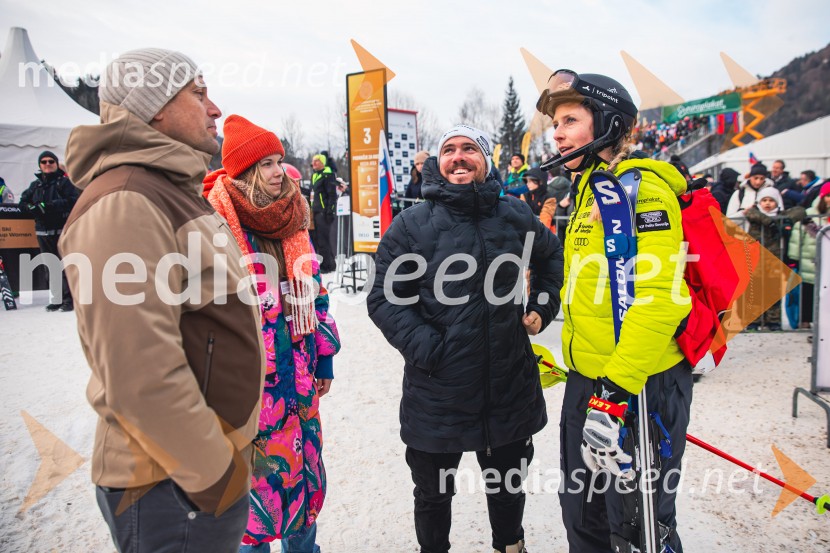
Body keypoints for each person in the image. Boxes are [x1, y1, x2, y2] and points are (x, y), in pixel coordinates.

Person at [58, 48, 265, 552]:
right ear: (153, 109)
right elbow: (139, 372)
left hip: (187, 480)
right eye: (198, 94)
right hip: (169, 485)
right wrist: (216, 476)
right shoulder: (127, 200)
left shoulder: (167, 188)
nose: (215, 109)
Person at [367, 124, 563, 553]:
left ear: (486, 160)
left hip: (508, 386)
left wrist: (542, 306)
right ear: (438, 162)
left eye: (469, 148)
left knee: (508, 485)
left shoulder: (515, 214)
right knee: (433, 492)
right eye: (449, 150)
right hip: (438, 391)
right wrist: (432, 350)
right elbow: (384, 298)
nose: (458, 157)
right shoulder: (411, 225)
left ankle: (510, 545)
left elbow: (551, 257)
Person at [536, 69, 692, 552]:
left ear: (606, 123)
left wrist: (615, 391)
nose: (557, 133)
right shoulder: (589, 190)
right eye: (555, 123)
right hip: (590, 382)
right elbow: (596, 293)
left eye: (570, 120)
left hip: (638, 386)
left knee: (638, 527)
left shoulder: (642, 191)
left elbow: (659, 298)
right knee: (582, 518)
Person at [203, 115, 341, 553]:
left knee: (302, 487)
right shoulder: (213, 226)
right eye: (266, 164)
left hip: (298, 381)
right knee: (254, 498)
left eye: (279, 161)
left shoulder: (291, 219)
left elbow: (315, 292)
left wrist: (324, 357)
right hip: (246, 389)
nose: (279, 172)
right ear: (244, 172)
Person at [19, 150, 80, 311]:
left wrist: (49, 206)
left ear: (56, 164)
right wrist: (32, 207)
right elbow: (22, 203)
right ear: (40, 165)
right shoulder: (35, 185)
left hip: (61, 231)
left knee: (64, 266)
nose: (47, 164)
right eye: (44, 162)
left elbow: (74, 201)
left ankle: (69, 299)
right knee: (50, 267)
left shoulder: (64, 183)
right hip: (42, 232)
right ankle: (57, 298)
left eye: (51, 161)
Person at [743, 187, 806, 330]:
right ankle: (754, 320)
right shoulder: (753, 214)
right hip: (755, 258)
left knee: (773, 290)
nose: (767, 203)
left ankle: (773, 320)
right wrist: (768, 221)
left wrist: (786, 221)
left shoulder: (781, 216)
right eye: (764, 200)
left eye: (771, 200)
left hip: (774, 259)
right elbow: (750, 213)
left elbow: (801, 211)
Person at [789, 182, 830, 328]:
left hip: (827, 261)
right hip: (810, 261)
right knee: (808, 293)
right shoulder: (810, 214)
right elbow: (797, 237)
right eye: (828, 196)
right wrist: (794, 258)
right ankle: (805, 320)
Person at [310, 154, 338, 273]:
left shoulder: (328, 175)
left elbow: (332, 195)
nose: (314, 163)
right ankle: (329, 263)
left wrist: (330, 211)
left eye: (316, 161)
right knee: (318, 239)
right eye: (313, 161)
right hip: (315, 211)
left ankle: (327, 265)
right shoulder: (314, 175)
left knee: (323, 240)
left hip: (323, 212)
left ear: (323, 163)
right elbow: (312, 192)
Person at [726, 162, 774, 229]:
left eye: (761, 178)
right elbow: (728, 221)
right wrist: (744, 213)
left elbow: (779, 215)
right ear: (750, 177)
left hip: (766, 233)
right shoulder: (739, 194)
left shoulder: (772, 193)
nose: (758, 182)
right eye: (755, 178)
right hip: (743, 234)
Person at [519, 167, 557, 233]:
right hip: (529, 231)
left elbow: (545, 218)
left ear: (540, 182)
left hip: (545, 233)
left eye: (530, 181)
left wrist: (539, 233)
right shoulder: (525, 196)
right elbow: (522, 214)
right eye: (527, 181)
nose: (527, 184)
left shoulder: (549, 198)